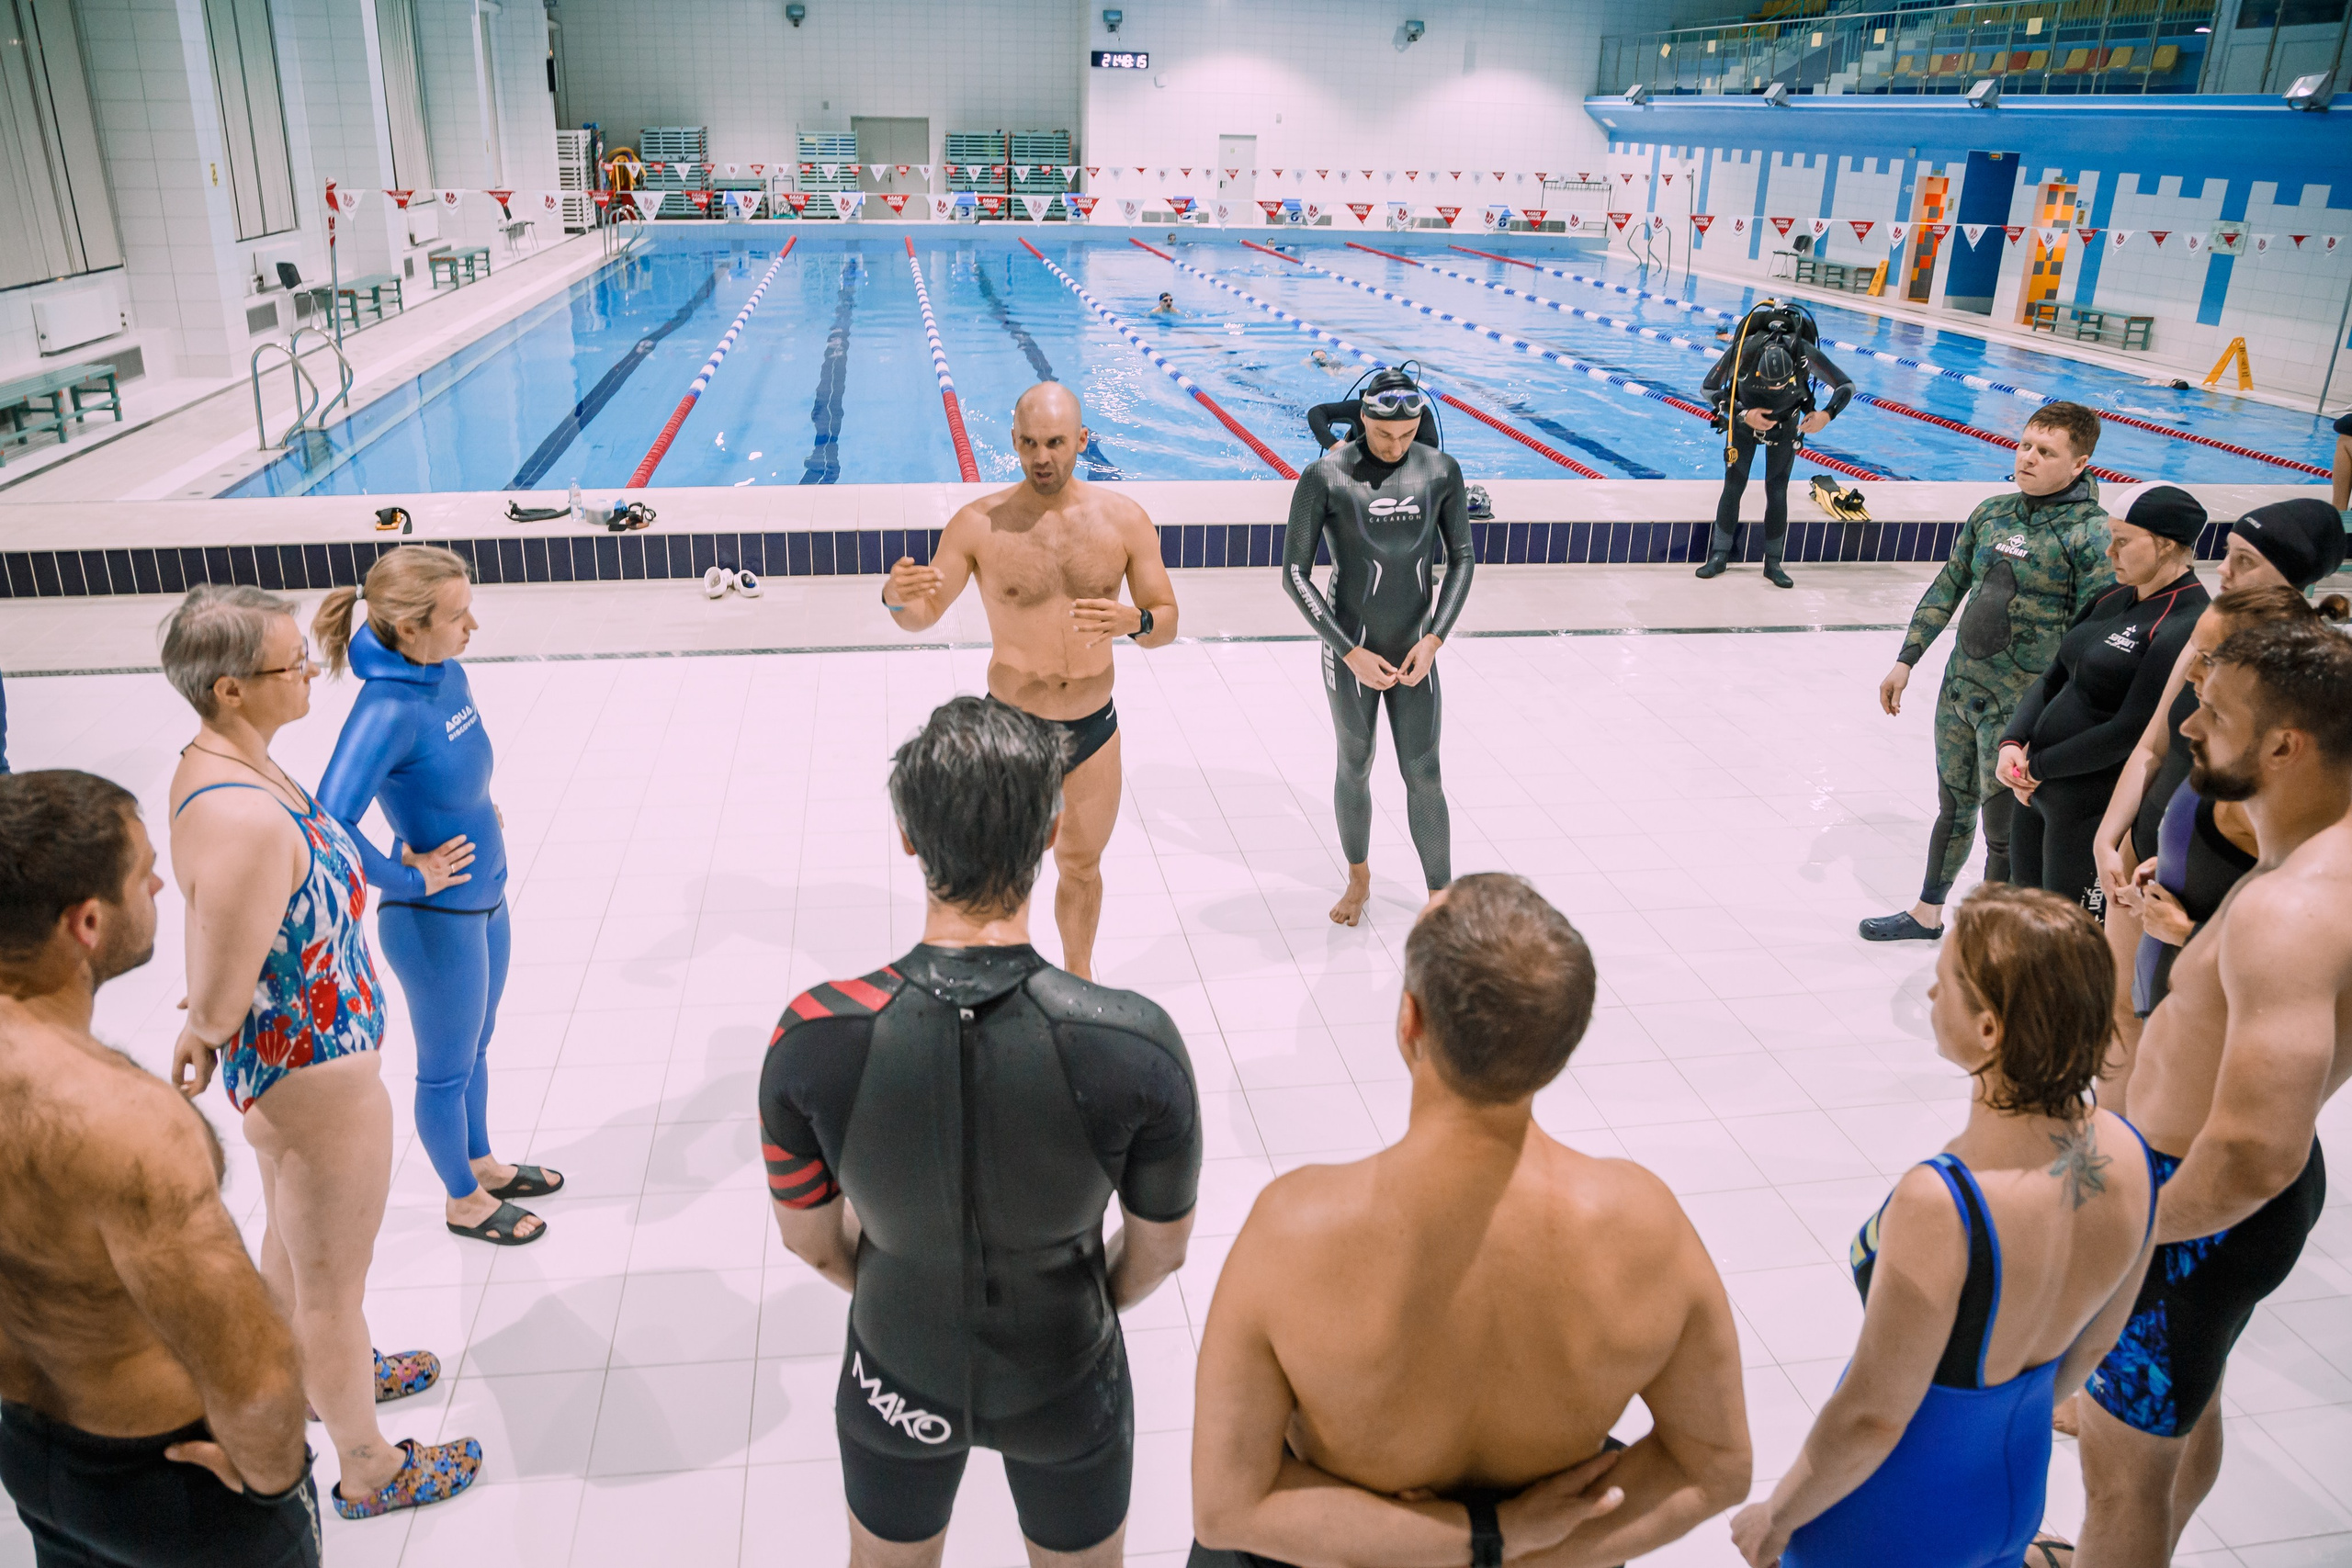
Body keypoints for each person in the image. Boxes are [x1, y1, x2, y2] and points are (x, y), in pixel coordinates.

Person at [1190, 874, 1751, 1567]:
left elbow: (1226, 1508)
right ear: (1563, 1045)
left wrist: (1481, 1541)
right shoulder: (1646, 1227)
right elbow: (1715, 1464)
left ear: (1410, 1023)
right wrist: (1524, 1553)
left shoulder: (1294, 1231)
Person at [762, 695, 1201, 1568]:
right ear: (1050, 830)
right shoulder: (1134, 1042)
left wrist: (923, 1281)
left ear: (908, 837)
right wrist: (1067, 1306)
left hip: (896, 1368)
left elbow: (812, 1243)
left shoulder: (812, 1035)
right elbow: (1160, 1254)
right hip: (1067, 1372)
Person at [159, 585, 480, 1521]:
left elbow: (228, 928)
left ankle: (304, 1373)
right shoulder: (243, 814)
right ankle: (369, 1467)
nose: (309, 671)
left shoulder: (234, 763)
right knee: (337, 1286)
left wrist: (218, 1011)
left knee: (297, 1252)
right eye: (289, 663)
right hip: (313, 1079)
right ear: (227, 689)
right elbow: (217, 972)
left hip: (300, 1063)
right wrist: (208, 1023)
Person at [1728, 885, 2157, 1566]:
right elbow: (2093, 1346)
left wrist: (1775, 1517)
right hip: (2012, 1490)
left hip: (1896, 1512)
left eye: (1941, 985)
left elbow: (1874, 1412)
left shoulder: (1944, 1201)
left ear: (1989, 1028)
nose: (1930, 999)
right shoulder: (2132, 1153)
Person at [2069, 619, 2352, 1566]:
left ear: (2284, 745)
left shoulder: (2294, 906)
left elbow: (2251, 1152)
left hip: (2198, 1211)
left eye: (2215, 714)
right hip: (2224, 1207)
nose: (2189, 726)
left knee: (2119, 1475)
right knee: (2183, 1419)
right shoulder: (2313, 859)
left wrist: (2133, 1228)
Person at [0, 769, 321, 1567]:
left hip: (30, 1458)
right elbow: (255, 1378)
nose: (158, 881)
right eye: (143, 868)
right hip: (174, 1481)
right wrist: (276, 1481)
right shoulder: (127, 1122)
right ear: (87, 922)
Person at [878, 381, 1180, 981]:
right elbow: (922, 616)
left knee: (1081, 864)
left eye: (1058, 443)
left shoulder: (1124, 521)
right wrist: (893, 598)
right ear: (1014, 442)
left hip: (1092, 727)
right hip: (1009, 729)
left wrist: (1134, 620)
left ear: (1082, 441)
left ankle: (1077, 977)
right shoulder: (979, 524)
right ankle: (990, 980)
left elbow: (1166, 621)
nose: (1044, 457)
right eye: (1031, 443)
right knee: (991, 871)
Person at [315, 547, 561, 1247]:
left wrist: (479, 810)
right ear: (409, 627)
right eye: (457, 615)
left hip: (484, 897)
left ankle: (480, 1162)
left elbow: (448, 773)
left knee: (478, 1045)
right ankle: (462, 1199)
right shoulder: (386, 708)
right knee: (446, 1068)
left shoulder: (444, 672)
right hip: (433, 921)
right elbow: (329, 823)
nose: (472, 626)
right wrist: (409, 876)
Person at [2088, 498, 2348, 1090]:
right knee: (2121, 1020)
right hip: (2161, 858)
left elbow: (2298, 890)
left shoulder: (2291, 698)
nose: (2223, 572)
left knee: (2181, 1051)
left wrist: (2196, 933)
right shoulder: (2213, 634)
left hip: (2200, 891)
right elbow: (2154, 745)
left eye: (2245, 561)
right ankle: (2114, 1149)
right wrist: (2115, 838)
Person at [1861, 401, 2113, 942]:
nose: (2028, 458)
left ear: (2080, 463)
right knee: (1951, 809)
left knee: (2004, 834)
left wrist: (2056, 720)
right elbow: (1949, 586)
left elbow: (2089, 639)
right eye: (2025, 445)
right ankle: (1927, 914)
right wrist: (1906, 659)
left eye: (2046, 452)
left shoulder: (2090, 535)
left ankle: (1988, 939)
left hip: (2021, 710)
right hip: (1960, 690)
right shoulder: (1992, 512)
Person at [1283, 365, 1475, 927]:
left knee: (1424, 771)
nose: (1396, 445)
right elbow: (1294, 574)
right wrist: (1349, 651)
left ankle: (1440, 897)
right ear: (1362, 419)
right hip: (1352, 648)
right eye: (1384, 434)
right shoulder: (1326, 476)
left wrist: (1436, 638)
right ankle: (1359, 877)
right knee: (1356, 762)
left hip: (1417, 644)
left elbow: (1462, 558)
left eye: (1408, 433)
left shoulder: (1440, 471)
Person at [1995, 485, 2209, 914]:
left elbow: (2131, 730)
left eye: (2123, 540)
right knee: (2027, 919)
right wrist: (2012, 742)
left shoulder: (2186, 622)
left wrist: (2037, 768)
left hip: (2089, 807)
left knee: (2073, 939)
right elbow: (2054, 677)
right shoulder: (2112, 597)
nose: (2110, 551)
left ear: (2166, 544)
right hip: (2039, 791)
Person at [1695, 301, 1855, 588]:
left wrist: (1826, 415)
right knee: (1733, 487)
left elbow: (1846, 386)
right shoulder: (1744, 350)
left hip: (1785, 427)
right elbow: (1708, 389)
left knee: (1777, 490)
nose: (1775, 390)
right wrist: (1745, 414)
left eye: (1782, 385)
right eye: (1770, 385)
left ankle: (1773, 563)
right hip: (1744, 424)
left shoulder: (1802, 353)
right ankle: (1719, 556)